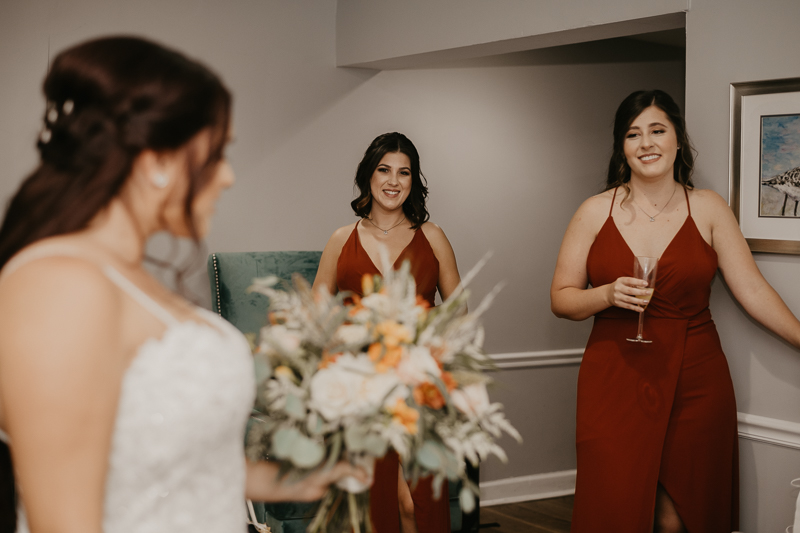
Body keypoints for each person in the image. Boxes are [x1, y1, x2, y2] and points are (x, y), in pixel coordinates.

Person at [0, 36, 362, 533]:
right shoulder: (60, 283)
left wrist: (284, 480)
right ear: (155, 163)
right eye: (217, 154)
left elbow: (156, 461)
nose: (229, 176)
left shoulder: (130, 279)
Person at [550, 89, 800, 533]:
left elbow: (753, 290)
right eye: (633, 134)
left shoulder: (707, 208)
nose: (646, 143)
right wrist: (606, 295)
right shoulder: (593, 211)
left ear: (677, 140)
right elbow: (562, 297)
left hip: (696, 377)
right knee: (617, 506)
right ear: (621, 147)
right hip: (615, 376)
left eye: (657, 130)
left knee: (678, 518)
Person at [313, 132, 462, 533]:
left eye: (404, 172)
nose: (393, 181)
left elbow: (459, 314)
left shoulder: (432, 237)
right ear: (368, 176)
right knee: (375, 504)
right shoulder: (340, 240)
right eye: (384, 170)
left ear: (414, 181)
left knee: (416, 503)